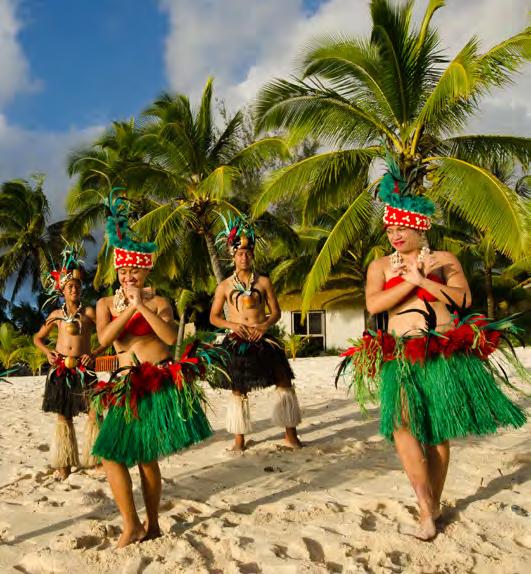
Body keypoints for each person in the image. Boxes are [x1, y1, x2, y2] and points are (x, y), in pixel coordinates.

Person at [337, 158, 527, 541]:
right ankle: (425, 503)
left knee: (437, 433)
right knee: (402, 425)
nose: (395, 234)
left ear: (420, 226)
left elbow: (463, 299)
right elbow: (374, 305)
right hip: (401, 354)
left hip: (442, 351)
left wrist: (424, 279)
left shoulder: (444, 261)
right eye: (390, 228)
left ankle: (432, 508)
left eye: (402, 227)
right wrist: (409, 282)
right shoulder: (380, 267)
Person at [91, 190, 219, 548]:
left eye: (134, 270)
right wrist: (129, 309)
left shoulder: (160, 301)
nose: (128, 276)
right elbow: (103, 339)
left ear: (145, 270)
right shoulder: (105, 303)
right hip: (123, 385)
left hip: (155, 380)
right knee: (111, 455)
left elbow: (170, 338)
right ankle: (131, 524)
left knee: (146, 457)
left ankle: (153, 523)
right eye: (123, 270)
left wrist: (142, 307)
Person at [210, 214, 302, 452]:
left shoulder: (264, 282)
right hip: (237, 339)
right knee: (239, 388)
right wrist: (232, 325)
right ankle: (239, 441)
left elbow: (276, 312)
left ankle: (291, 436)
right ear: (233, 255)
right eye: (240, 253)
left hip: (263, 337)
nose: (244, 257)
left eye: (248, 253)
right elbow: (214, 317)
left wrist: (264, 325)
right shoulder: (224, 286)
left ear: (253, 255)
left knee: (283, 380)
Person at [34, 244, 104, 479]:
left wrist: (94, 353)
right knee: (64, 415)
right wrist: (47, 352)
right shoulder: (55, 315)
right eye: (70, 286)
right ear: (62, 290)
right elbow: (37, 338)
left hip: (86, 368)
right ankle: (64, 462)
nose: (74, 289)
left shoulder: (89, 313)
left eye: (77, 286)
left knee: (95, 411)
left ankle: (97, 459)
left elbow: (105, 338)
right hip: (61, 368)